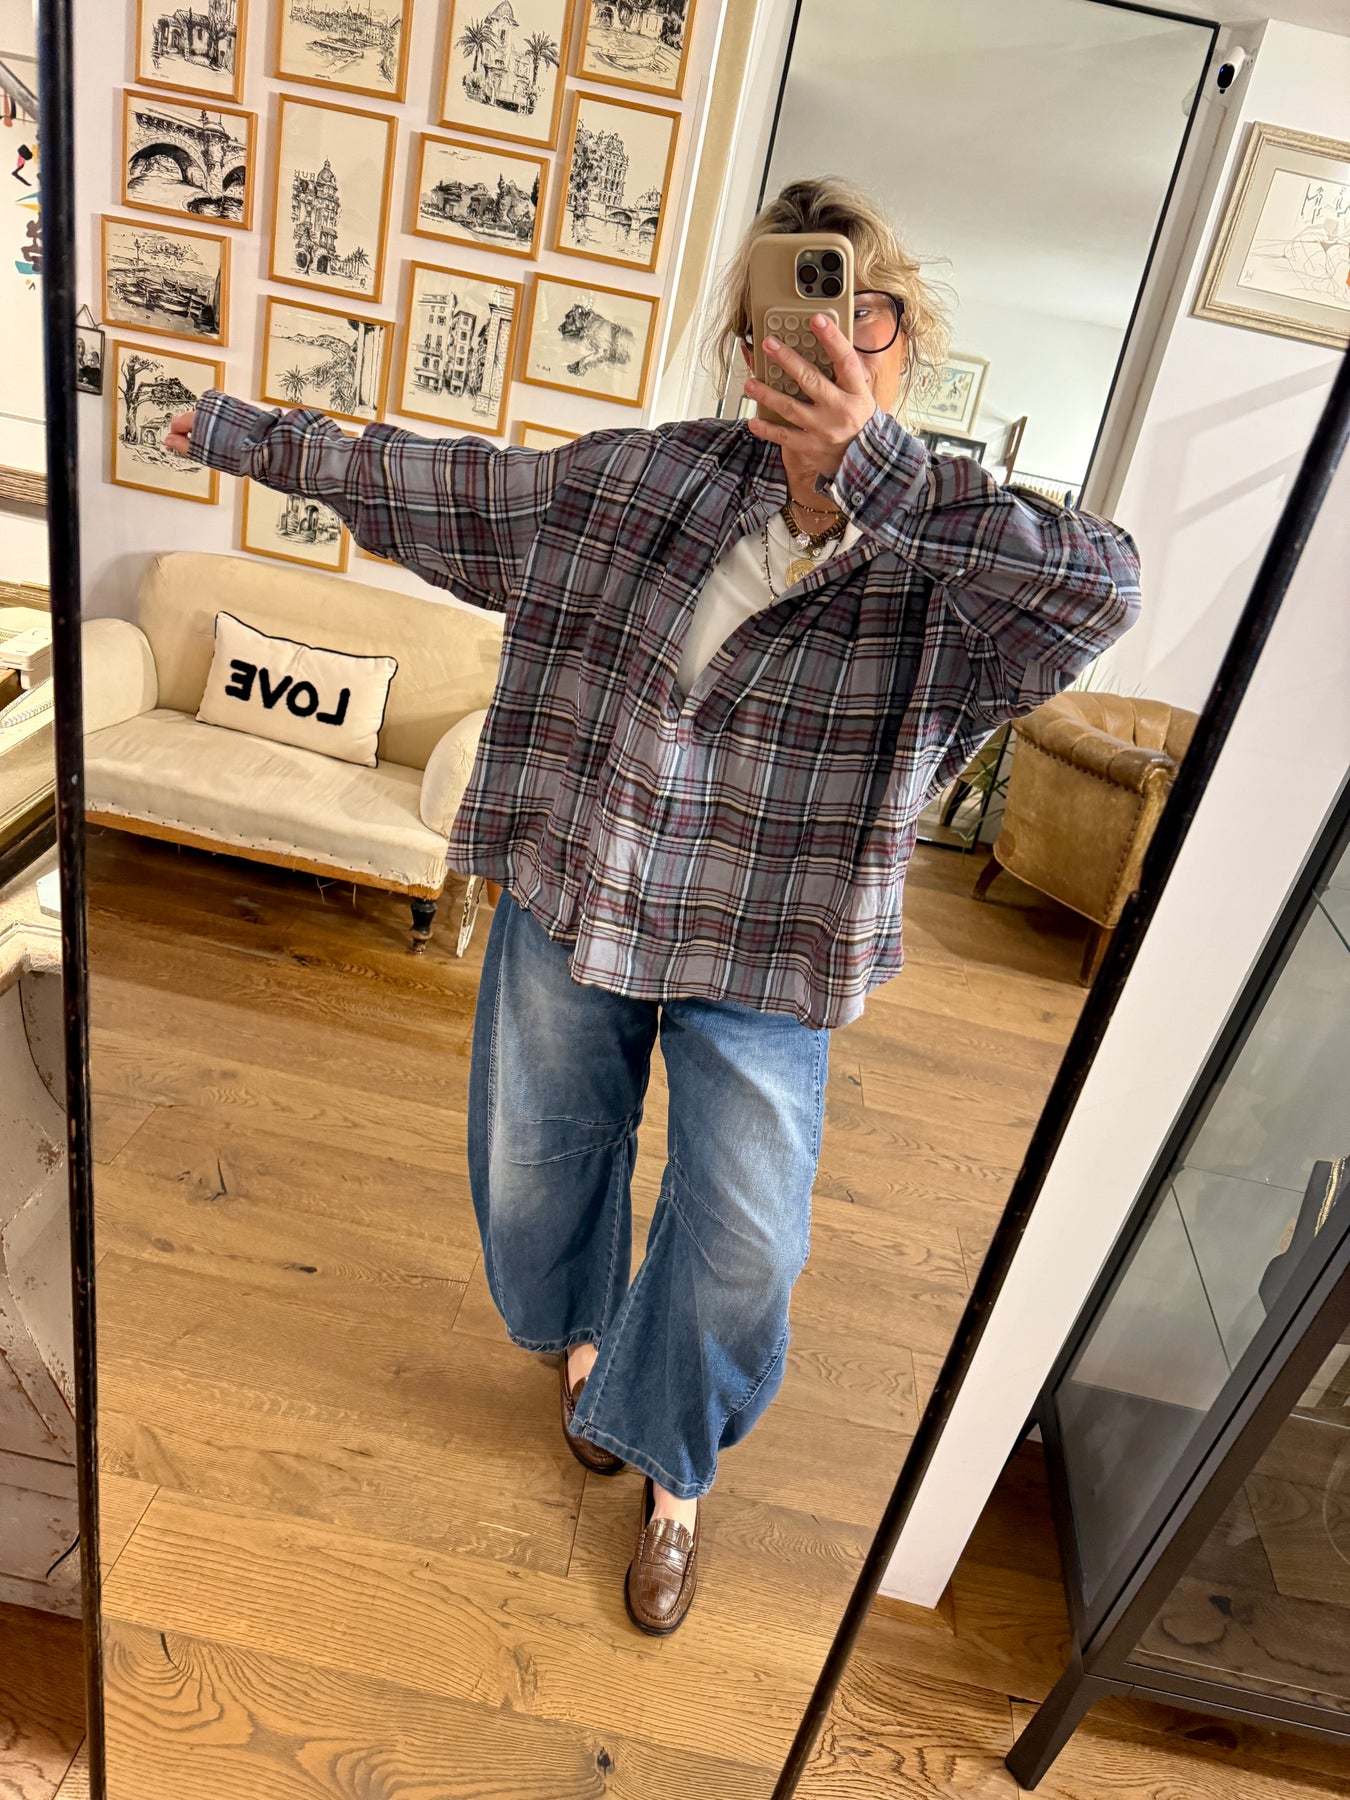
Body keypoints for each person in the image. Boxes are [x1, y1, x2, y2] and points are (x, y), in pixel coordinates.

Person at [167, 176, 1141, 1636]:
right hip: (590, 879)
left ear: (905, 338)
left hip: (775, 935)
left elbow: (1101, 591)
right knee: (539, 1167)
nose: (827, 342)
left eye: (862, 314)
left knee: (747, 1240)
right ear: (747, 349)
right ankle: (586, 1353)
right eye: (785, 322)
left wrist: (871, 470)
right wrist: (241, 433)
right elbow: (442, 485)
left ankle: (672, 1468)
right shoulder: (643, 484)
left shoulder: (958, 554)